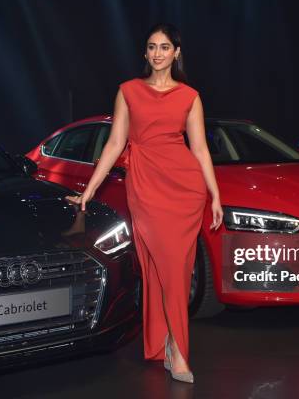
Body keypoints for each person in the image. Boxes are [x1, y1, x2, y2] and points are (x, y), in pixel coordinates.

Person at [66, 23, 223, 384]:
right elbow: (114, 143)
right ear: (145, 52)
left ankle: (174, 348)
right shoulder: (128, 91)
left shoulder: (190, 96)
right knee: (162, 266)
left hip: (185, 188)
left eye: (165, 47)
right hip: (147, 189)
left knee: (175, 271)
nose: (157, 53)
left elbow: (199, 149)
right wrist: (89, 191)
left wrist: (215, 194)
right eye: (151, 47)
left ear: (176, 53)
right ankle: (172, 347)